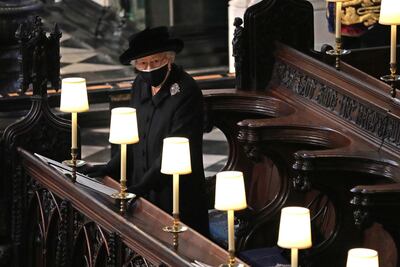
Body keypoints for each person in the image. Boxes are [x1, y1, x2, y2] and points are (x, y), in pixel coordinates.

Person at [82, 26, 209, 237]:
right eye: (142, 63)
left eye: (156, 61)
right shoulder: (140, 83)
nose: (149, 68)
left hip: (173, 190)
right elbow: (132, 135)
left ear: (169, 58)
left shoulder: (186, 91)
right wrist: (109, 167)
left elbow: (176, 148)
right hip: (140, 184)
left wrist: (141, 187)